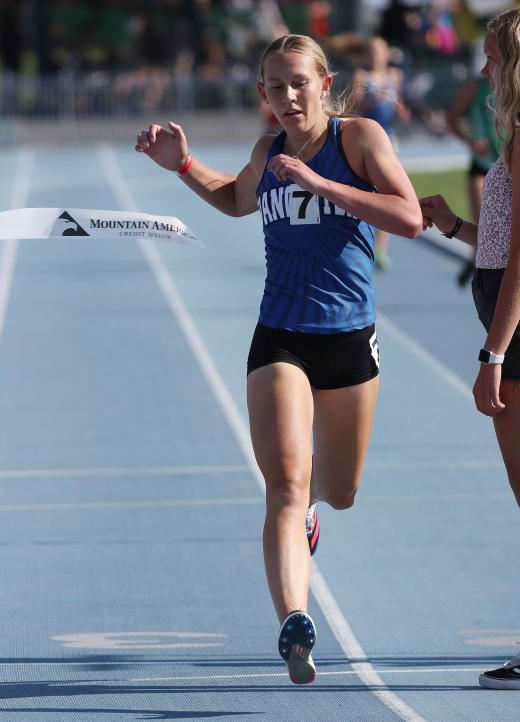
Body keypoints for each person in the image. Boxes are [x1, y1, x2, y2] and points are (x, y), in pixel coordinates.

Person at [135, 34, 422, 684]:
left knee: (337, 491)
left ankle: (312, 516)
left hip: (348, 337)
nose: (287, 97)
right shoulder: (267, 152)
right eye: (274, 86)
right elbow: (237, 201)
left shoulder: (359, 140)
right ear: (262, 94)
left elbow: (407, 217)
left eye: (298, 83)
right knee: (285, 486)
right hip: (281, 336)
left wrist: (323, 183)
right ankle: (294, 620)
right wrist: (183, 166)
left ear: (324, 84)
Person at [419, 9, 520, 691]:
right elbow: (497, 242)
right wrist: (454, 223)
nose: (481, 69)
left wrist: (493, 355)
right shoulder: (508, 139)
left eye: (489, 57)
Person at [350, 35, 410, 271]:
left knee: (389, 194)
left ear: (386, 53)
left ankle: (381, 250)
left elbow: (402, 109)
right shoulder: (361, 76)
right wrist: (372, 99)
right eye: (371, 50)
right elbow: (352, 108)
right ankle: (359, 241)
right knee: (365, 191)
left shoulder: (395, 76)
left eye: (379, 50)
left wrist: (399, 107)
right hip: (365, 139)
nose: (375, 55)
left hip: (388, 140)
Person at [446, 69, 500, 287]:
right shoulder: (475, 87)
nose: (484, 68)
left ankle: (477, 259)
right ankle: (477, 261)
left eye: (491, 58)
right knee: (483, 223)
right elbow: (452, 119)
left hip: (507, 165)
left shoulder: (513, 88)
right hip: (482, 163)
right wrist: (470, 141)